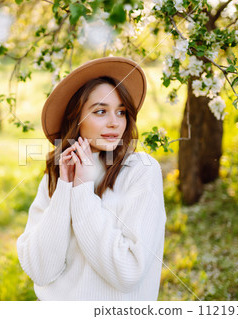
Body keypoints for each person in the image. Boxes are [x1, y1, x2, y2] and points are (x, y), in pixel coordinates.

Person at [16, 56, 167, 301]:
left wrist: (83, 190)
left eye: (121, 112)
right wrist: (66, 187)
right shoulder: (58, 173)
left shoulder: (141, 171)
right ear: (76, 118)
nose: (114, 122)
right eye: (100, 111)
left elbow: (127, 272)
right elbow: (42, 271)